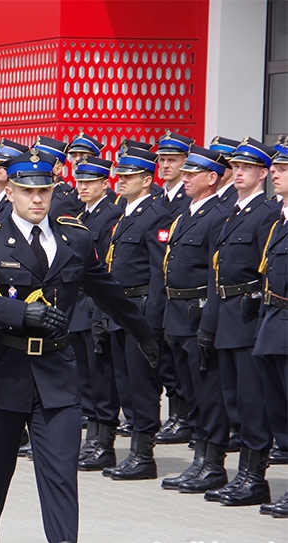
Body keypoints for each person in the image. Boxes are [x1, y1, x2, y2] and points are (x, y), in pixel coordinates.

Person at [0, 149, 157, 543]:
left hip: (56, 373)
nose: (37, 199)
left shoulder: (74, 237)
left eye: (44, 190)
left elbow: (107, 289)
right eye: (27, 191)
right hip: (3, 371)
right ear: (11, 191)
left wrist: (146, 337)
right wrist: (21, 313)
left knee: (60, 472)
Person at [203, 138, 280, 507]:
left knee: (253, 402)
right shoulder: (233, 213)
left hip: (250, 318)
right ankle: (243, 475)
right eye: (236, 167)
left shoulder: (266, 214)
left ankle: (254, 476)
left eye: (248, 168)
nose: (239, 173)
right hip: (228, 316)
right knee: (234, 399)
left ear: (262, 174)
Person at [157, 146, 230, 494]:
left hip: (198, 313)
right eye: (184, 173)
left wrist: (209, 322)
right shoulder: (187, 214)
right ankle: (199, 459)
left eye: (191, 174)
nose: (184, 179)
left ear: (211, 178)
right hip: (177, 315)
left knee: (208, 391)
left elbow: (216, 274)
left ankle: (213, 463)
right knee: (190, 391)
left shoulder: (218, 215)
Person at [100, 148, 171, 480]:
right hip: (119, 310)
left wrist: (151, 325)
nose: (121, 181)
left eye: (129, 177)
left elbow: (158, 273)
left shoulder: (154, 215)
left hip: (139, 310)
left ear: (147, 180)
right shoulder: (124, 214)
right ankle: (134, 451)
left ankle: (144, 454)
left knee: (141, 384)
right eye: (121, 176)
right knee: (123, 382)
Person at [67, 157, 124, 471]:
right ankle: (92, 438)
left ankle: (104, 442)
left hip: (94, 306)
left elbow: (104, 269)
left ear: (105, 183)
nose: (83, 187)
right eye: (80, 181)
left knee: (101, 378)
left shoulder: (109, 215)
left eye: (90, 182)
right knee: (84, 377)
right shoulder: (80, 215)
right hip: (76, 306)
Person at [256, 139, 288, 518]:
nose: (275, 173)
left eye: (282, 169)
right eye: (275, 168)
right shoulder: (280, 219)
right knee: (280, 412)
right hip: (275, 323)